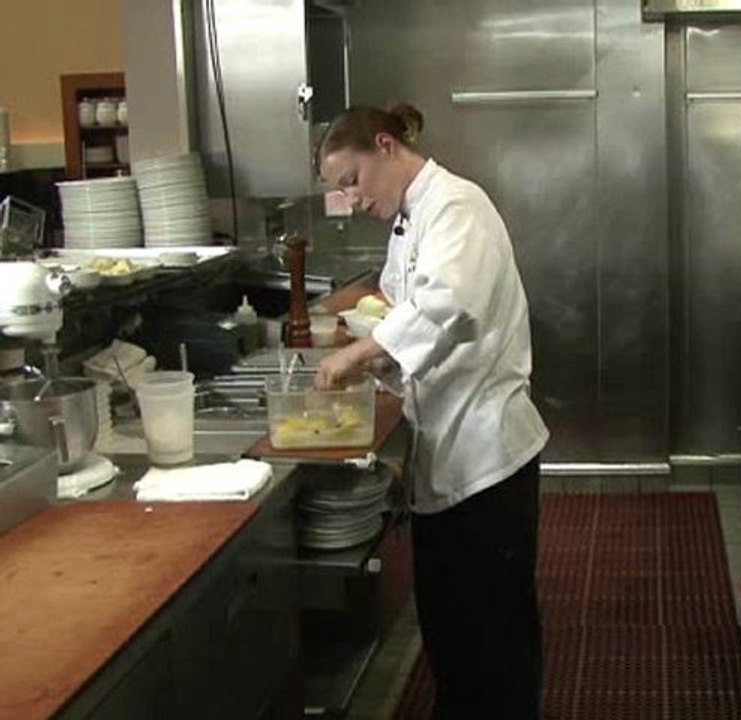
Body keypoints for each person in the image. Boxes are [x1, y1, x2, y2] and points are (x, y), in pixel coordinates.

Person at [313, 103, 550, 719]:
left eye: (352, 181)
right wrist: (377, 356)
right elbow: (404, 315)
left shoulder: (456, 206)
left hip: (487, 456)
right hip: (448, 452)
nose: (352, 199)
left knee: (495, 633)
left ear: (386, 146)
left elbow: (454, 306)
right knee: (451, 628)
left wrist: (366, 351)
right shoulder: (409, 220)